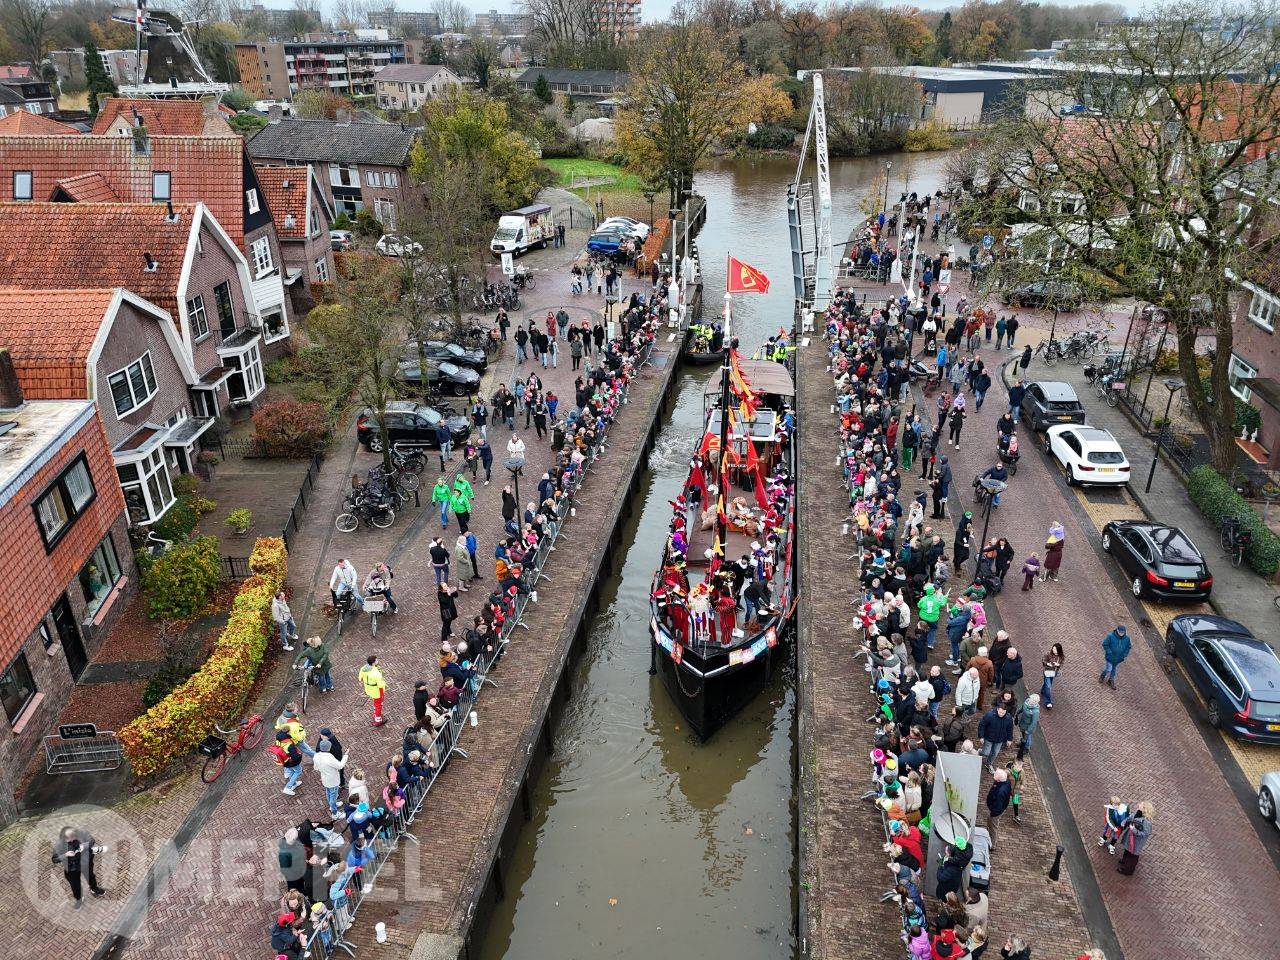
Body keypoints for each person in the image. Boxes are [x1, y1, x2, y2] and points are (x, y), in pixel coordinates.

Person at [52, 827, 104, 907]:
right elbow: (55, 859)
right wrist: (65, 855)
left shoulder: (82, 833)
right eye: (69, 840)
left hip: (86, 863)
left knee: (90, 876)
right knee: (74, 884)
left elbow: (92, 840)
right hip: (72, 867)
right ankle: (79, 898)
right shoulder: (59, 845)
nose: (72, 841)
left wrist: (85, 845)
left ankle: (94, 889)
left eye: (73, 838)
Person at [313, 741, 347, 815]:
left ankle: (333, 805)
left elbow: (316, 767)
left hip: (324, 778)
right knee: (333, 796)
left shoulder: (316, 756)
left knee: (328, 792)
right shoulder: (329, 757)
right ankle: (334, 813)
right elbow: (340, 766)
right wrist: (345, 756)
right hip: (333, 780)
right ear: (329, 748)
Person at [976, 703, 1013, 773]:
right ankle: (980, 751)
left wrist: (1009, 739)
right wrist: (981, 736)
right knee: (986, 753)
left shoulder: (1008, 718)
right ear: (997, 709)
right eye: (1000, 712)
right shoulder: (990, 715)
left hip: (1000, 739)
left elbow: (1010, 729)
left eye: (1003, 713)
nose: (1002, 714)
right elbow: (982, 725)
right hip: (989, 737)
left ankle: (989, 764)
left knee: (995, 753)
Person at [1117, 805, 1153, 875]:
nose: (1139, 805)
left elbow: (1145, 834)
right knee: (1127, 850)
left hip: (1136, 841)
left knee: (1133, 855)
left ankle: (1128, 870)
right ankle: (1124, 861)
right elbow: (1131, 817)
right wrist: (1124, 821)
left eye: (1141, 805)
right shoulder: (1138, 813)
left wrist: (1134, 830)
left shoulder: (1147, 822)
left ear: (1144, 810)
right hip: (1130, 837)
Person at [985, 768, 1012, 849]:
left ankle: (992, 845)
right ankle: (989, 837)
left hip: (995, 812)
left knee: (993, 827)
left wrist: (992, 813)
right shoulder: (1004, 781)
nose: (994, 778)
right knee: (990, 824)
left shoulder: (1001, 792)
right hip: (995, 809)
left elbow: (998, 806)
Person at [272, 730, 305, 795]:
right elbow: (295, 757)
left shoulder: (278, 742)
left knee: (291, 772)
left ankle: (294, 783)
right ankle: (288, 787)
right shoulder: (289, 745)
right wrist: (300, 755)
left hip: (285, 762)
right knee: (298, 771)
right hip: (292, 762)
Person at [1100, 624, 1130, 689]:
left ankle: (1111, 680)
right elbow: (1105, 644)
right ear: (1117, 630)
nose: (1121, 633)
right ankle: (1102, 676)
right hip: (1110, 657)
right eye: (1120, 632)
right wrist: (1109, 652)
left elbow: (1128, 647)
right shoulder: (1110, 636)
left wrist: (1124, 655)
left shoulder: (1127, 639)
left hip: (1118, 659)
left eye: (1123, 632)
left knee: (1114, 670)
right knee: (1109, 669)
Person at [359, 655, 386, 726]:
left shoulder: (363, 668)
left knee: (376, 703)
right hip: (377, 691)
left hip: (368, 689)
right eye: (376, 660)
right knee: (379, 705)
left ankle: (375, 714)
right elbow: (380, 685)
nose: (378, 661)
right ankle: (378, 720)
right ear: (373, 662)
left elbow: (360, 678)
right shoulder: (376, 673)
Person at [1015, 694, 1039, 760]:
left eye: (1034, 701)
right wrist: (1017, 713)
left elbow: (1034, 722)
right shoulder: (1026, 702)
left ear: (1036, 702)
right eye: (1032, 700)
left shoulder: (1035, 711)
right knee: (1023, 735)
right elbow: (1022, 708)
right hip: (1023, 723)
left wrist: (1028, 730)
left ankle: (1026, 748)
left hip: (1028, 727)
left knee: (1027, 737)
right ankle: (1022, 742)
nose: (1032, 702)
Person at [1040, 642, 1063, 708]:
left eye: (1055, 649)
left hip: (1053, 673)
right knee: (1049, 687)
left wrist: (1058, 665)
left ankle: (1043, 690)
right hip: (1047, 672)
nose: (1053, 650)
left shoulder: (1060, 657)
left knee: (1047, 685)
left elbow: (1061, 663)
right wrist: (1048, 664)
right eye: (1053, 648)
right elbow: (1043, 660)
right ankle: (1048, 702)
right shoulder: (1049, 654)